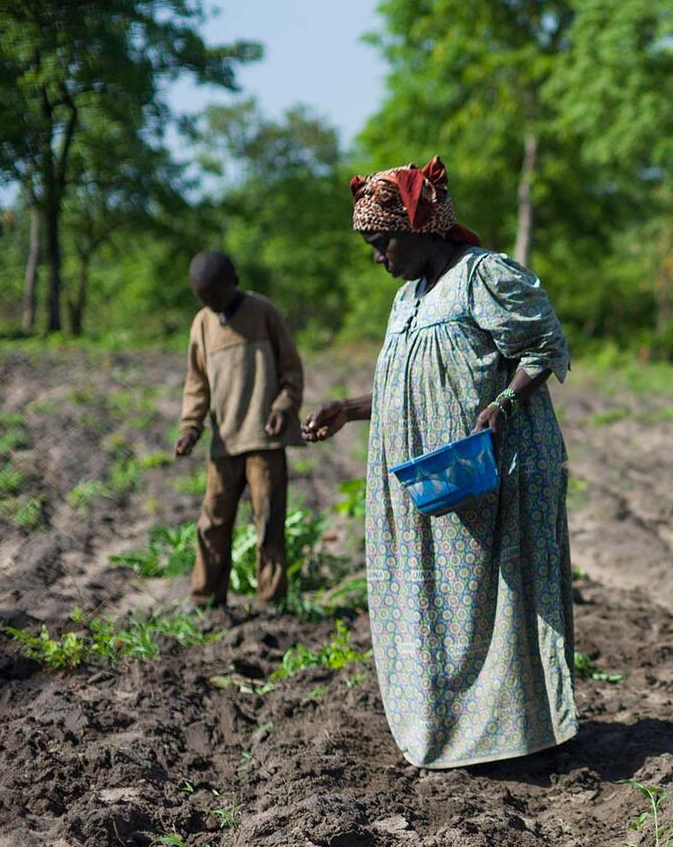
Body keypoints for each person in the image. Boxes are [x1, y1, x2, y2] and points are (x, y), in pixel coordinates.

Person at [301, 156, 576, 770]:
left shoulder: (483, 275)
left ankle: (518, 738)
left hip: (493, 473)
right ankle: (452, 729)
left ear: (421, 228)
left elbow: (544, 347)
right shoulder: (408, 298)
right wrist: (347, 408)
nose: (379, 258)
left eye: (383, 243)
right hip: (432, 481)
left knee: (495, 602)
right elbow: (409, 382)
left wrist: (504, 403)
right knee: (438, 603)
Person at [175, 251, 304, 609]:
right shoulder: (203, 324)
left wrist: (283, 406)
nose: (210, 303)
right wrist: (190, 427)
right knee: (212, 522)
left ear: (233, 282)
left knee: (269, 523)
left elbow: (291, 370)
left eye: (214, 294)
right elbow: (197, 384)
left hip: (264, 439)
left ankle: (271, 602)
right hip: (225, 442)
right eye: (202, 297)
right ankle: (205, 598)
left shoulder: (263, 313)